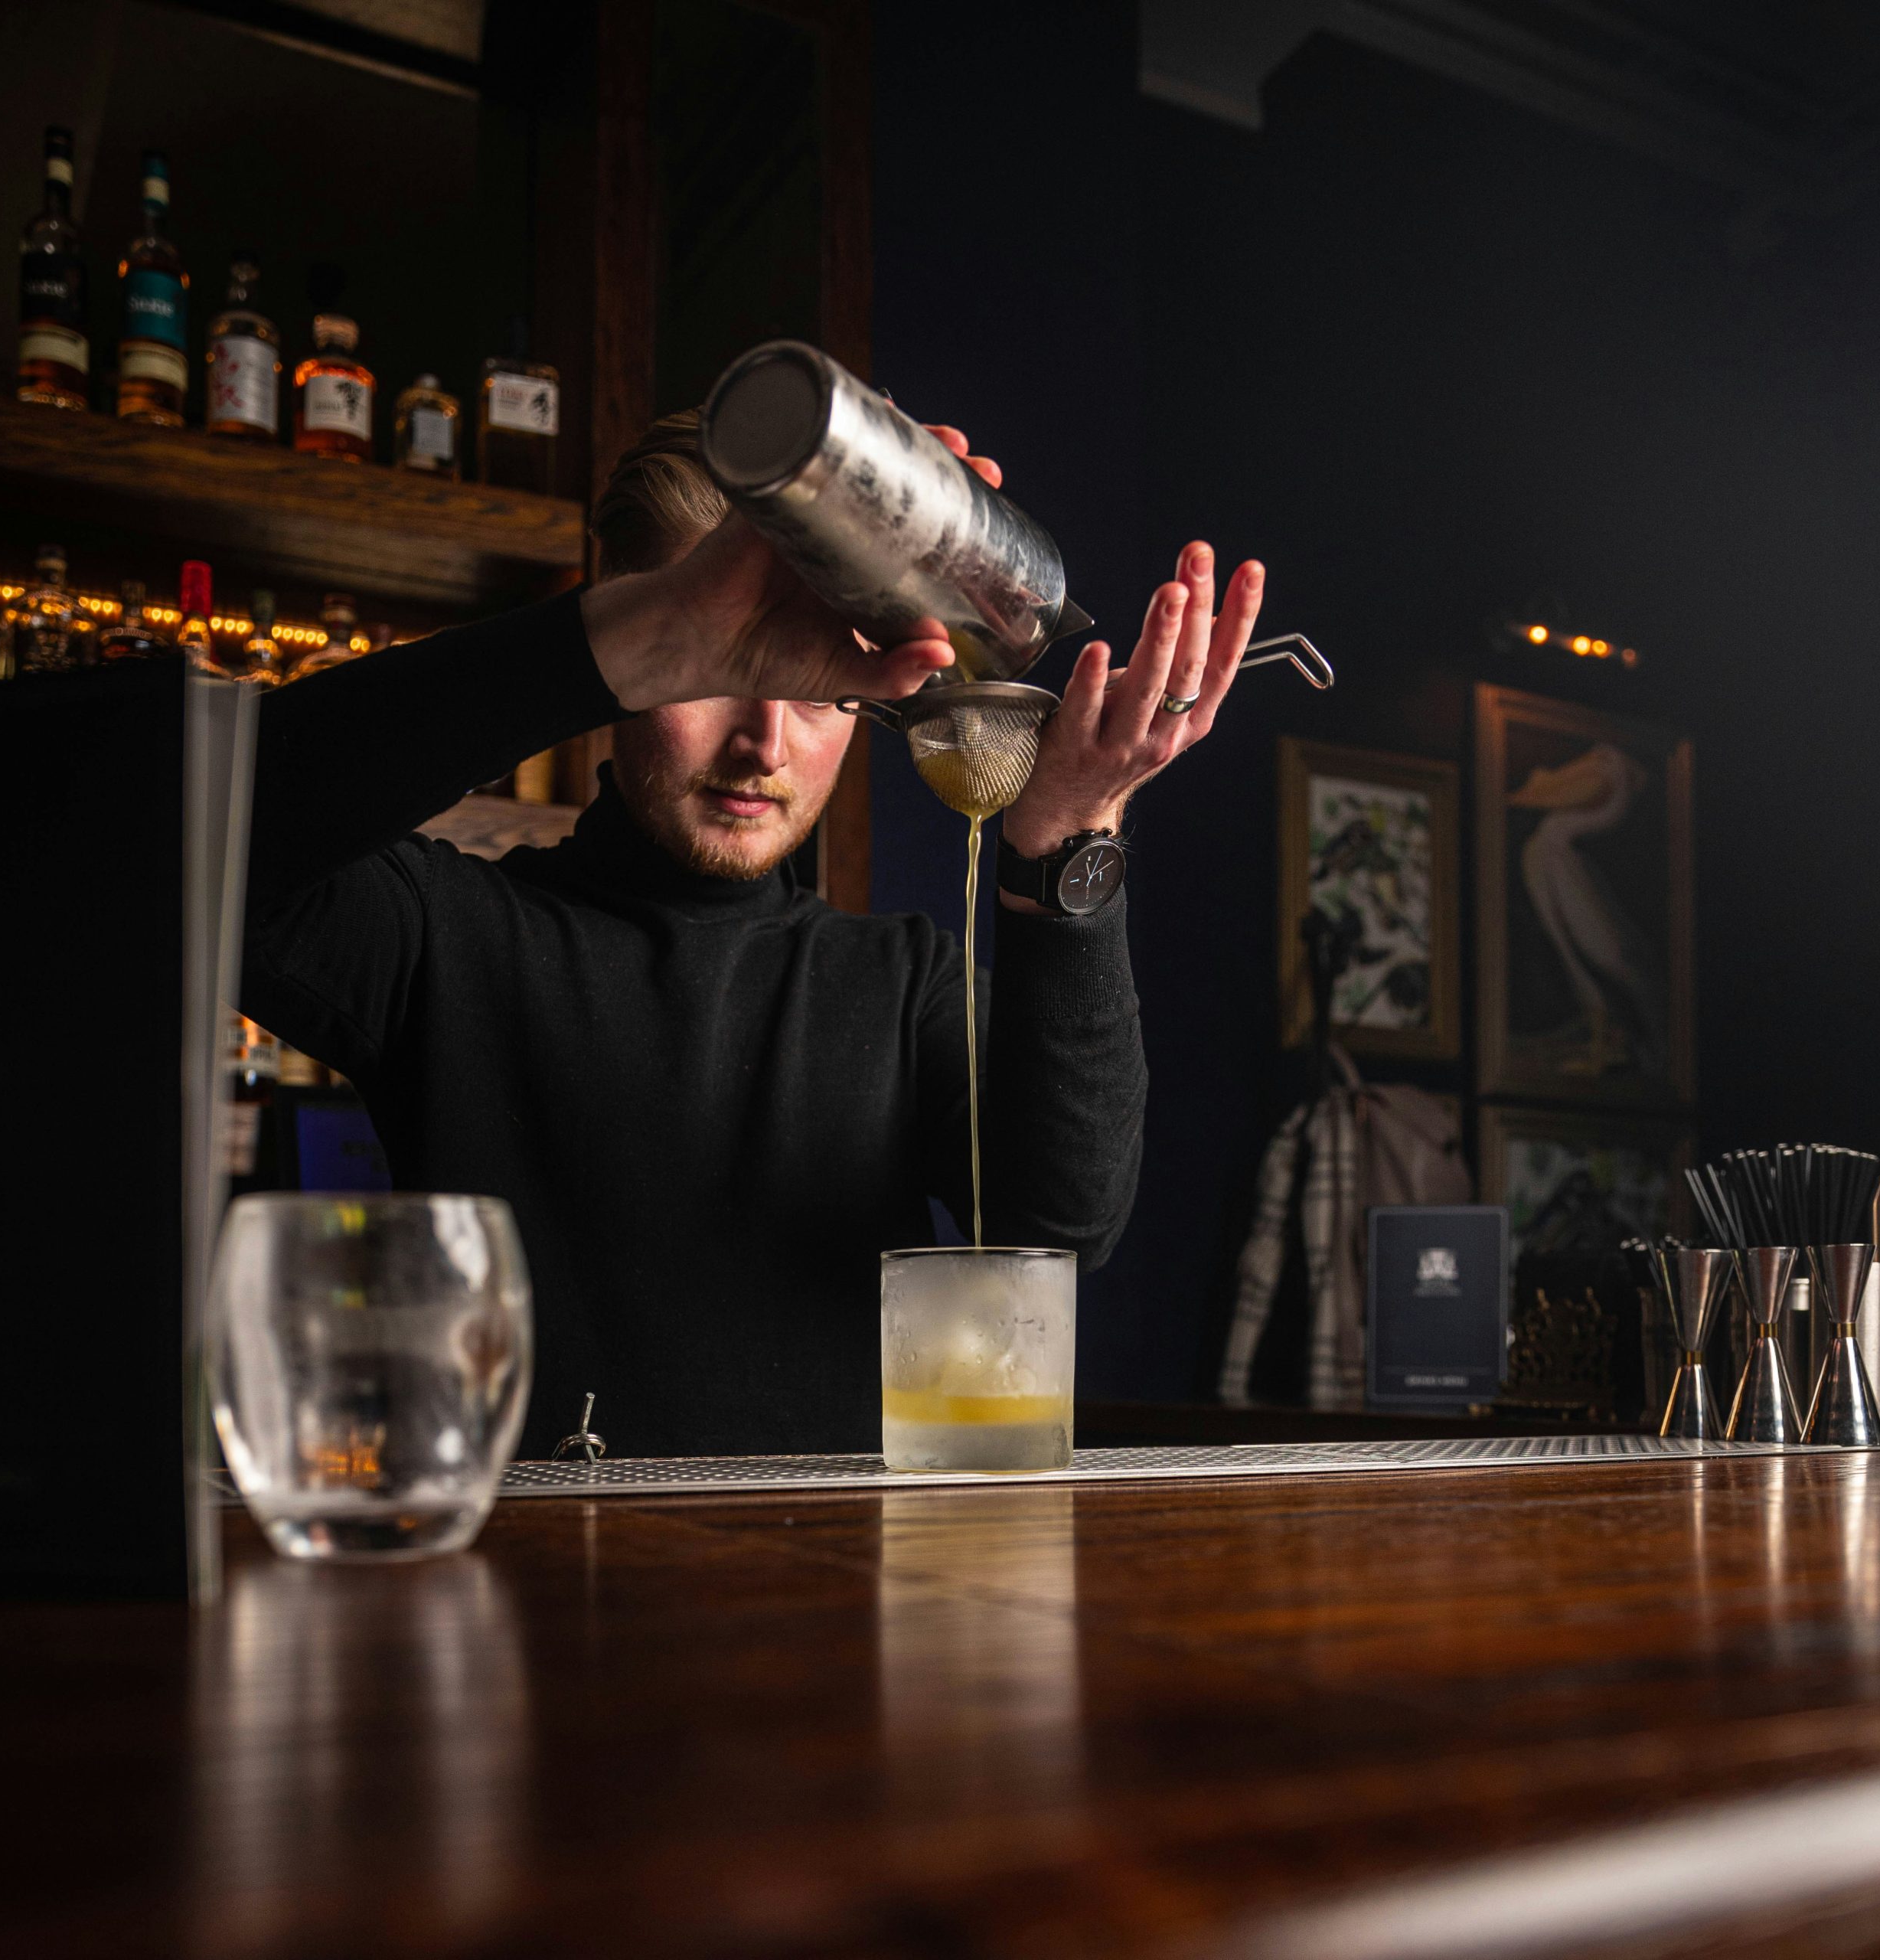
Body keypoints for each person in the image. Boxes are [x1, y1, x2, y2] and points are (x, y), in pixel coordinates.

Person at [241, 411, 1266, 1458]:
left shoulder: (901, 981)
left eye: (822, 695)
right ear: (627, 664)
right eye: (711, 671)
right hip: (521, 1599)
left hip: (839, 1604)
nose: (764, 743)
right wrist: (615, 639)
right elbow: (199, 826)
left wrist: (1065, 844)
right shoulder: (437, 939)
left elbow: (1065, 1226)